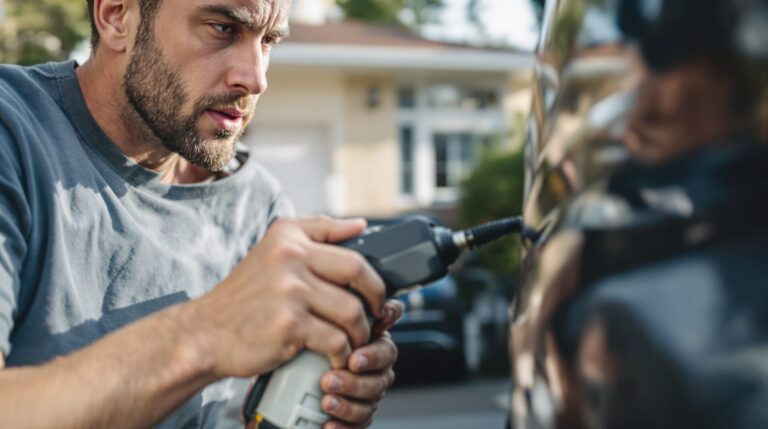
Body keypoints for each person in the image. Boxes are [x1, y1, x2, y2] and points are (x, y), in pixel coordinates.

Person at [0, 0, 403, 428]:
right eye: (222, 28)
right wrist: (210, 332)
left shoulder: (258, 208)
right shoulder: (14, 136)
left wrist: (329, 395)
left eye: (267, 41)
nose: (254, 78)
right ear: (116, 15)